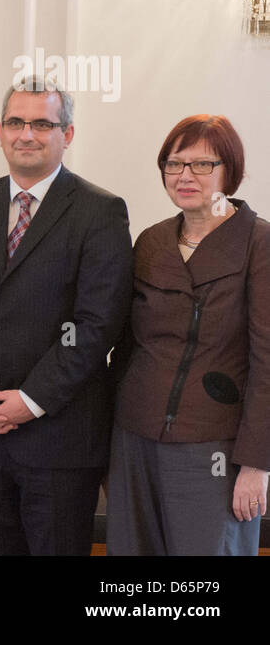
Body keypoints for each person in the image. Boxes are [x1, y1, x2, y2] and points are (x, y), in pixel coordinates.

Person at [0, 76, 133, 555]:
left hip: (58, 439)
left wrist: (31, 400)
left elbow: (97, 325)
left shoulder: (100, 211)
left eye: (43, 123)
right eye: (16, 122)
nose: (27, 134)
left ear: (68, 134)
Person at [108, 115, 269, 555]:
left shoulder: (260, 244)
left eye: (201, 165)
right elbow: (126, 349)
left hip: (213, 447)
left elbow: (267, 363)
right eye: (174, 163)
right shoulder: (151, 241)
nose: (184, 176)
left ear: (229, 171)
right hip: (133, 437)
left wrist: (257, 464)